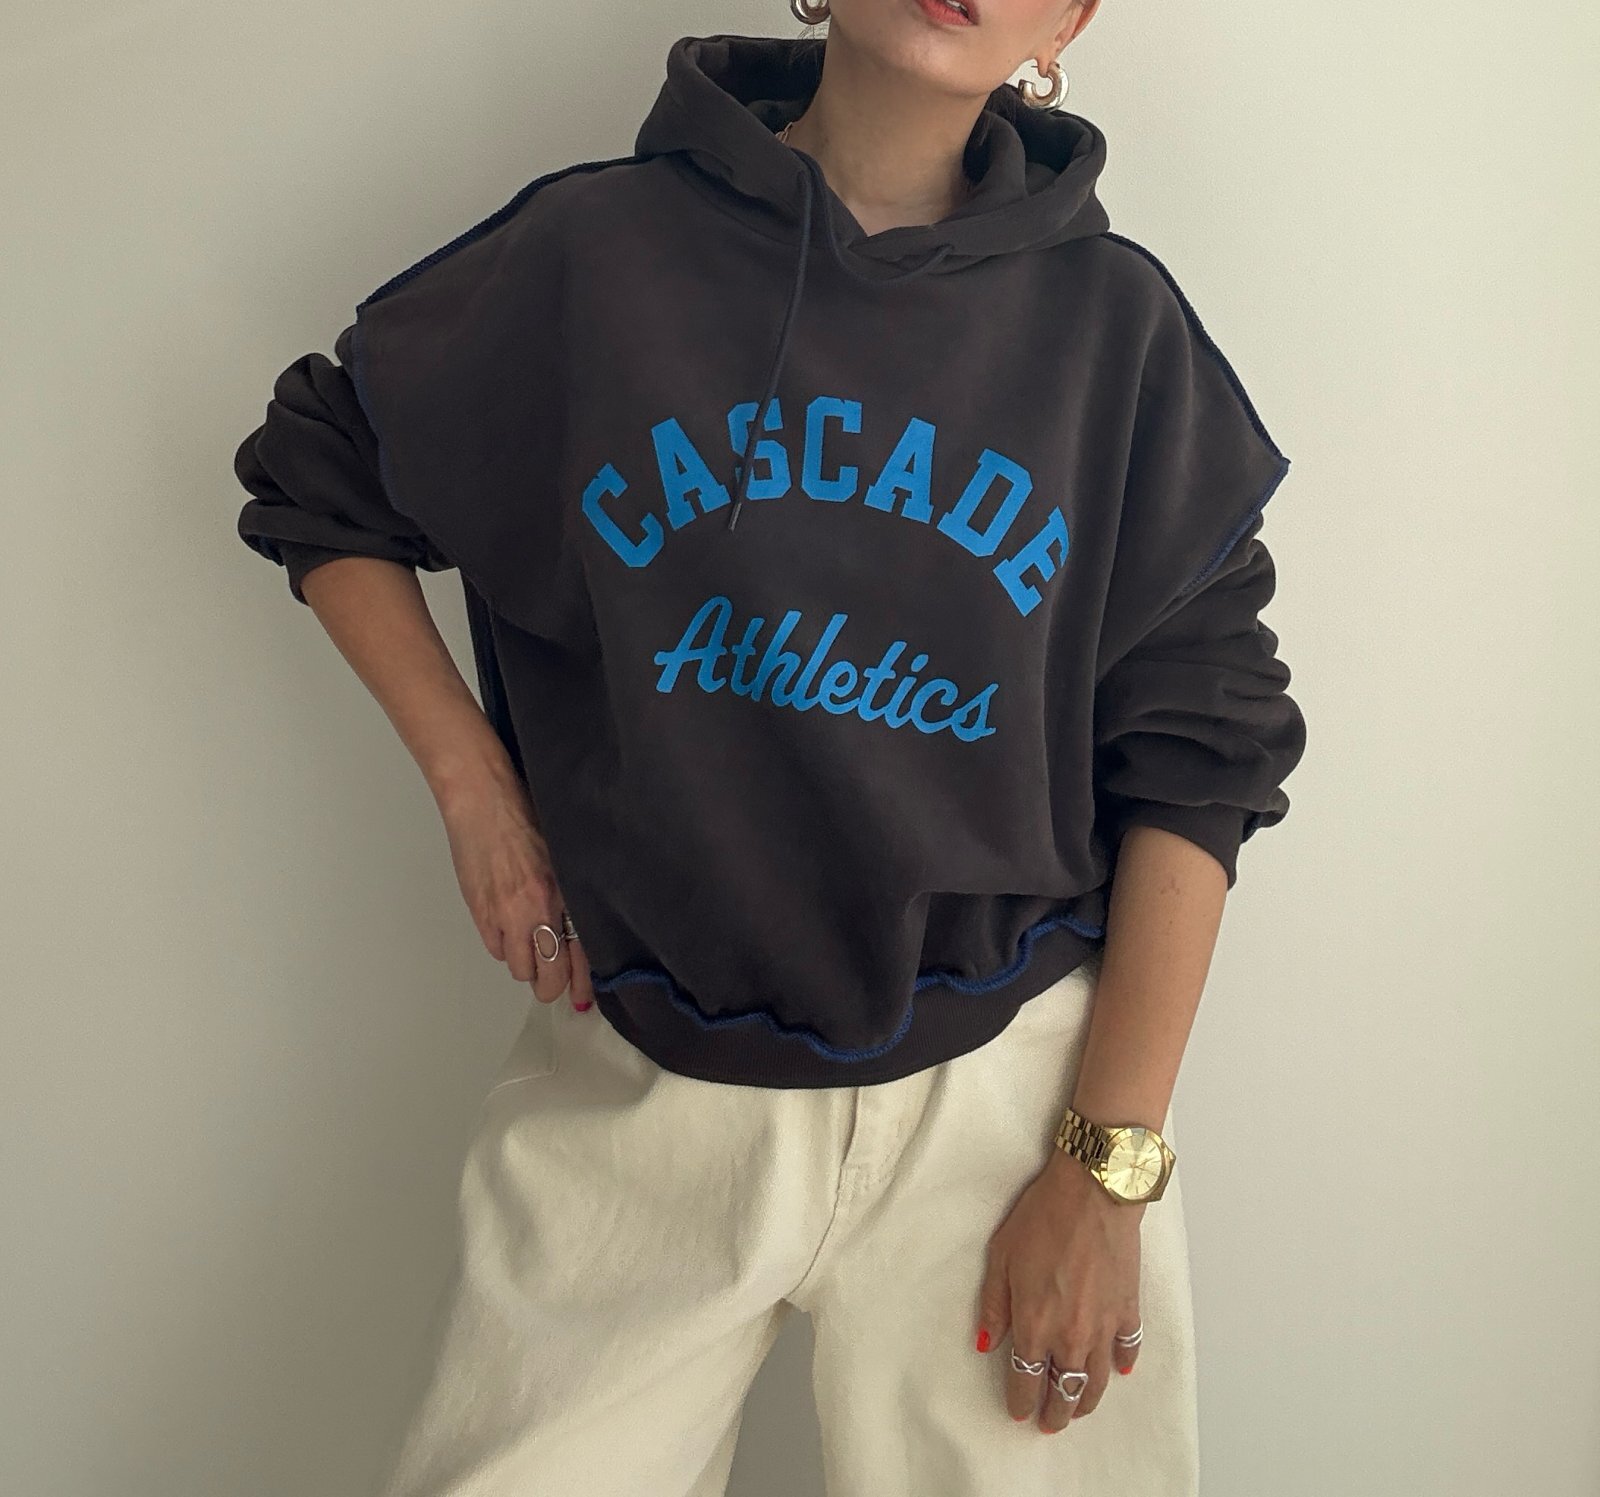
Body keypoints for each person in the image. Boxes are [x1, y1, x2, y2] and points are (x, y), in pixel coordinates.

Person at [233, 6, 1306, 1494]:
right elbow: (324, 469)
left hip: (1006, 1109)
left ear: (1069, 18)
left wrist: (1105, 1168)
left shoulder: (1114, 333)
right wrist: (477, 790)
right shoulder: (596, 260)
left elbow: (1204, 752)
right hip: (640, 1074)